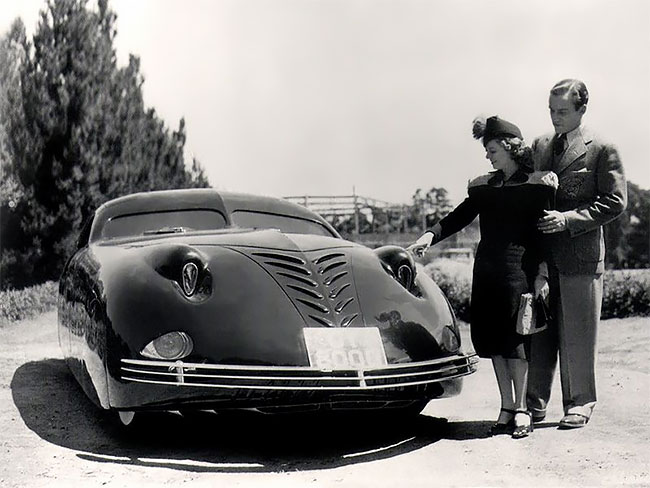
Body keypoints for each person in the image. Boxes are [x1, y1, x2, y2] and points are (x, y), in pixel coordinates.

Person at [409, 115, 558, 439]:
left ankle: (521, 409)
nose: (487, 155)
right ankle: (506, 407)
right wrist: (428, 236)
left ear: (508, 147)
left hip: (516, 272)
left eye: (491, 149)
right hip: (486, 271)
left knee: (516, 343)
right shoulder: (483, 188)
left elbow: (543, 235)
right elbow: (458, 216)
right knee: (494, 343)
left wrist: (542, 274)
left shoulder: (536, 186)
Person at [526, 79, 627, 429]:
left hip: (581, 255)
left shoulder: (601, 148)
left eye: (563, 112)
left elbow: (616, 201)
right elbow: (520, 183)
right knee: (537, 330)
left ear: (583, 109)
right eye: (551, 111)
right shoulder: (538, 145)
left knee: (578, 335)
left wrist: (568, 220)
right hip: (540, 256)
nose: (555, 118)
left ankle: (580, 402)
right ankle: (533, 404)